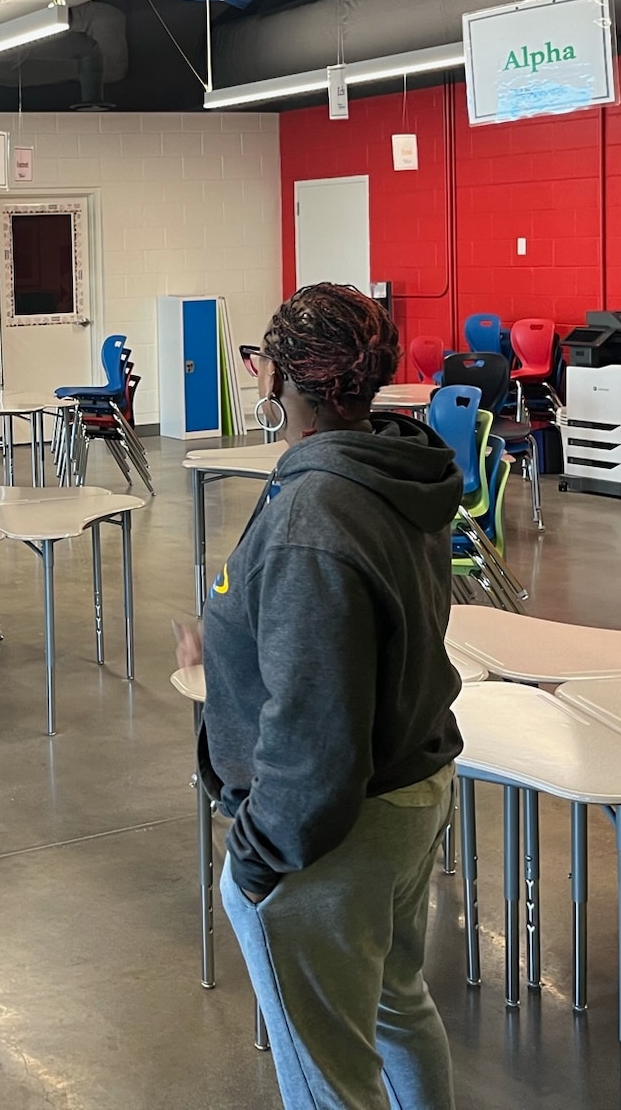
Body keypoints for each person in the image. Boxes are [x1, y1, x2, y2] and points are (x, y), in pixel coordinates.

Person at [176, 282, 465, 1110]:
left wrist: (256, 863)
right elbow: (344, 635)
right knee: (393, 1003)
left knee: (326, 1072)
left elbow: (315, 737)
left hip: (335, 831)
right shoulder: (391, 470)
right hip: (410, 782)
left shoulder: (315, 511)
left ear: (276, 380)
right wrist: (233, 646)